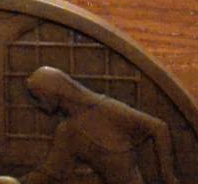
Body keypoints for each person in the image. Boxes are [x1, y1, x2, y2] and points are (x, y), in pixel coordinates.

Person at [22, 66, 180, 184]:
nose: (37, 105)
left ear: (51, 93)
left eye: (38, 98)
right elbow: (51, 172)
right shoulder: (67, 130)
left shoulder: (108, 110)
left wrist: (168, 177)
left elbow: (159, 128)